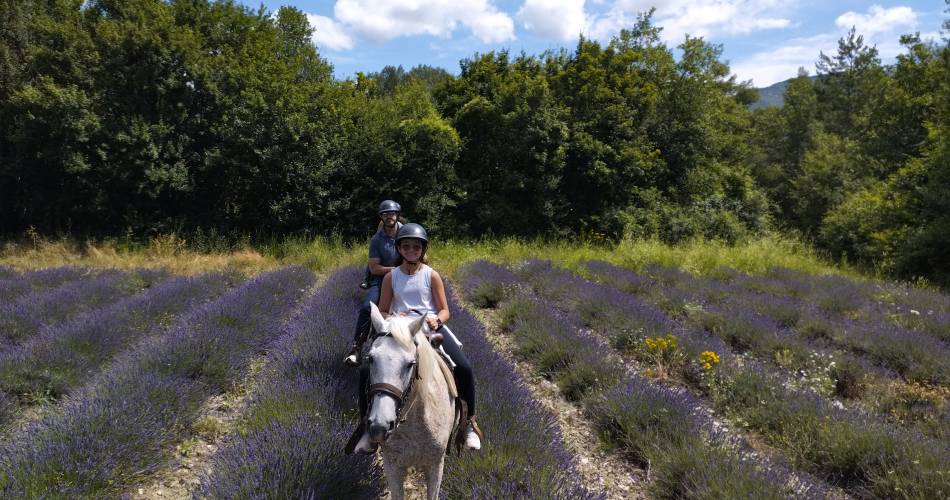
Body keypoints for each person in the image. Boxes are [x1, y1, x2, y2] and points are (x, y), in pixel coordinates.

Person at [375, 223, 482, 450]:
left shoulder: (431, 275)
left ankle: (469, 423)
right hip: (402, 330)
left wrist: (438, 320)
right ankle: (368, 424)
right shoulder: (390, 277)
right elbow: (383, 309)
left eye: (416, 247)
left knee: (464, 367)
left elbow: (445, 310)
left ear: (422, 249)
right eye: (406, 246)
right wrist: (393, 318)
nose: (411, 250)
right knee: (368, 369)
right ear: (399, 249)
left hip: (430, 327)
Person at [343, 199, 403, 366]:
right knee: (367, 307)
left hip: (407, 277)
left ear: (398, 214)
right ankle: (356, 347)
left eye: (392, 213)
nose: (389, 216)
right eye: (385, 214)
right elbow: (375, 268)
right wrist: (395, 270)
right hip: (382, 279)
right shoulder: (377, 239)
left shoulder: (407, 233)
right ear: (381, 217)